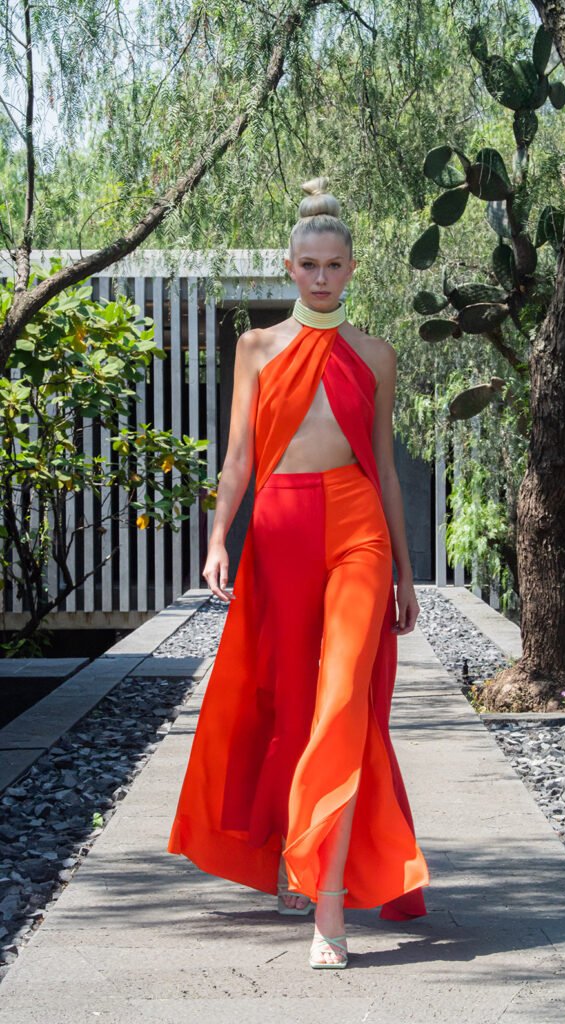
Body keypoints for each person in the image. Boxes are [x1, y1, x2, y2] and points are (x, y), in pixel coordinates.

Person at [167, 177, 430, 969]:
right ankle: (292, 846)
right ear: (290, 268)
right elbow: (239, 457)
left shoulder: (376, 355)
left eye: (333, 265)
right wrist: (219, 537)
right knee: (288, 699)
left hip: (357, 527)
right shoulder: (256, 347)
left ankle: (330, 903)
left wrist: (405, 573)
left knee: (343, 700)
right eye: (308, 265)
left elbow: (385, 469)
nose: (320, 276)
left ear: (352, 269)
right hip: (279, 525)